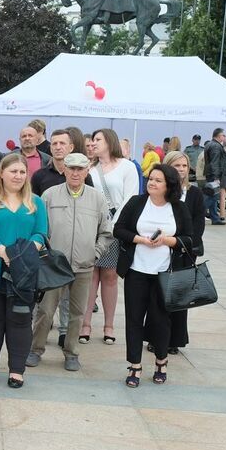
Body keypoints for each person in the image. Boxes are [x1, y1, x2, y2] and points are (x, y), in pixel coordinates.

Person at [28, 152, 113, 371]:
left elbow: (105, 232)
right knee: (45, 310)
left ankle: (71, 352)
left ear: (87, 171)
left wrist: (95, 253)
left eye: (80, 169)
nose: (75, 173)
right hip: (54, 266)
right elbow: (39, 228)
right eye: (71, 168)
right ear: (64, 169)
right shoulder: (49, 195)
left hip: (83, 267)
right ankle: (35, 349)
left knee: (77, 313)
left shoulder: (97, 198)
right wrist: (44, 255)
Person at [0, 153, 48, 388]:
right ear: (2, 174)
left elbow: (41, 233)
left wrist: (20, 257)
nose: (18, 176)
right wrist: (6, 253)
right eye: (13, 171)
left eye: (22, 172)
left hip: (23, 274)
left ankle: (17, 370)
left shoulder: (36, 202)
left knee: (20, 321)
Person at [115, 164, 194, 387]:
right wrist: (140, 239)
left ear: (169, 185)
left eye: (158, 180)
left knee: (161, 320)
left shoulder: (178, 208)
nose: (152, 183)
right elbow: (118, 230)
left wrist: (167, 240)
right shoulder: (136, 203)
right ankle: (135, 365)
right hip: (136, 271)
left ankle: (161, 360)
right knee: (133, 319)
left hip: (165, 273)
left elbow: (190, 239)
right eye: (150, 179)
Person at [80, 128, 141, 345]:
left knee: (110, 276)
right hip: (89, 228)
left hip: (115, 229)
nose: (93, 143)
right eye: (92, 140)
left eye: (98, 139)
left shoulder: (127, 166)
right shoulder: (90, 167)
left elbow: (131, 197)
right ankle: (85, 324)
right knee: (89, 277)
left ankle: (109, 325)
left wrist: (115, 226)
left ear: (110, 141)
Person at [163, 150, 206, 355]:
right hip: (161, 249)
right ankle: (156, 336)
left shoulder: (194, 193)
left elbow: (199, 222)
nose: (180, 169)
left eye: (184, 166)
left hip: (185, 251)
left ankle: (175, 340)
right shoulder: (159, 190)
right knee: (159, 295)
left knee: (180, 296)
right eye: (176, 165)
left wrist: (186, 244)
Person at [30, 128, 79, 196]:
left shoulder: (80, 175)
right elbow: (33, 203)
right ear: (50, 148)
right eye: (54, 144)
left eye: (62, 143)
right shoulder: (39, 176)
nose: (58, 147)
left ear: (71, 147)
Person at [201, 129, 226, 226]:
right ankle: (199, 211)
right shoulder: (216, 146)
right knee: (212, 196)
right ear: (218, 136)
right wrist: (216, 177)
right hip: (214, 175)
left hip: (210, 173)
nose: (224, 137)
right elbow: (215, 162)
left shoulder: (210, 144)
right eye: (223, 135)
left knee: (213, 195)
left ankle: (215, 217)